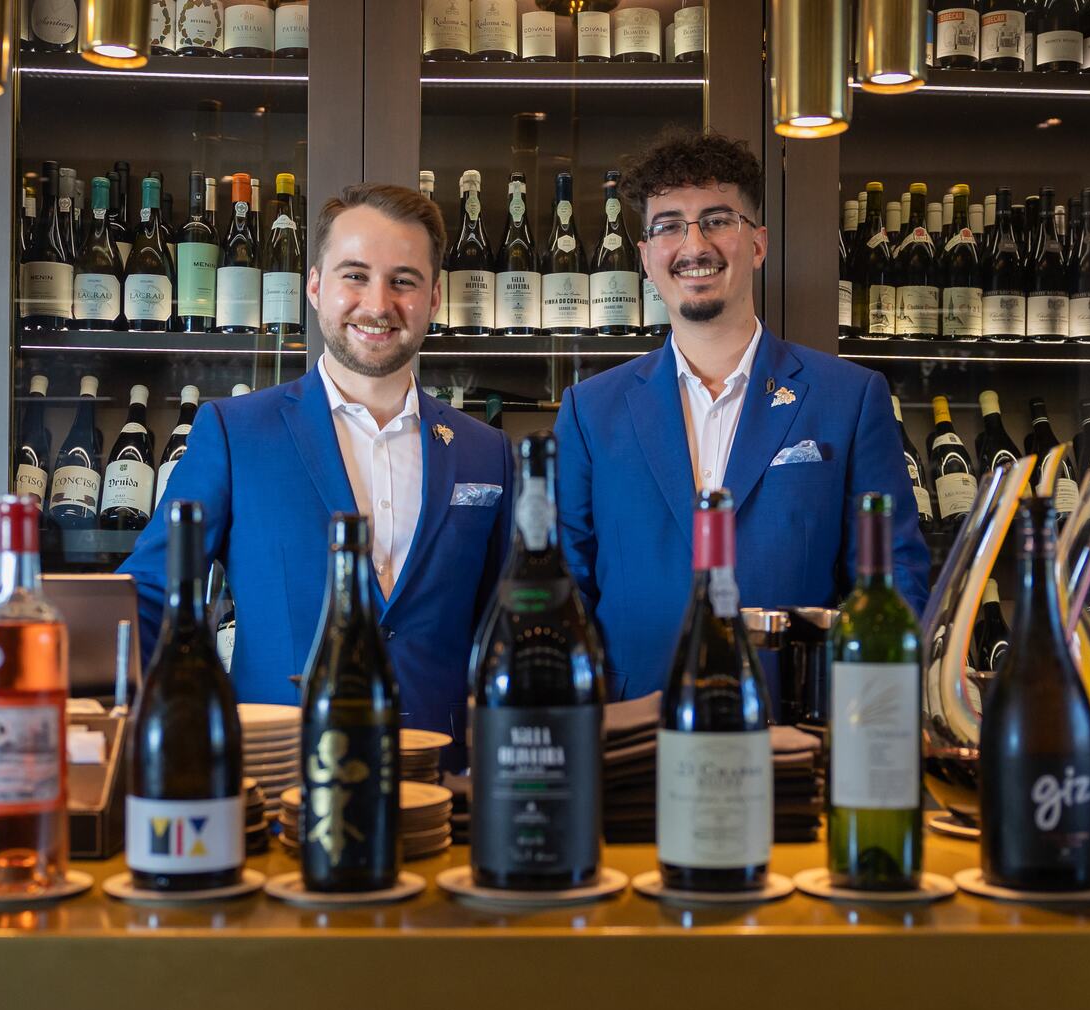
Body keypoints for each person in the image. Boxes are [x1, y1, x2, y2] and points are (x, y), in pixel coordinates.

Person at [122, 183, 511, 745]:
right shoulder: (235, 433)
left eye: (403, 281)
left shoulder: (486, 452)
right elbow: (152, 598)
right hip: (278, 773)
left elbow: (501, 628)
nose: (378, 304)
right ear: (315, 286)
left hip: (439, 784)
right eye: (355, 275)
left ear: (434, 298)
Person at [554, 130, 930, 701]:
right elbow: (563, 590)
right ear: (647, 257)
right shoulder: (590, 411)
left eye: (717, 220)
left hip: (797, 729)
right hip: (632, 737)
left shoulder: (849, 398)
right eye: (669, 225)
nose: (693, 244)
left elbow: (890, 583)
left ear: (757, 244)